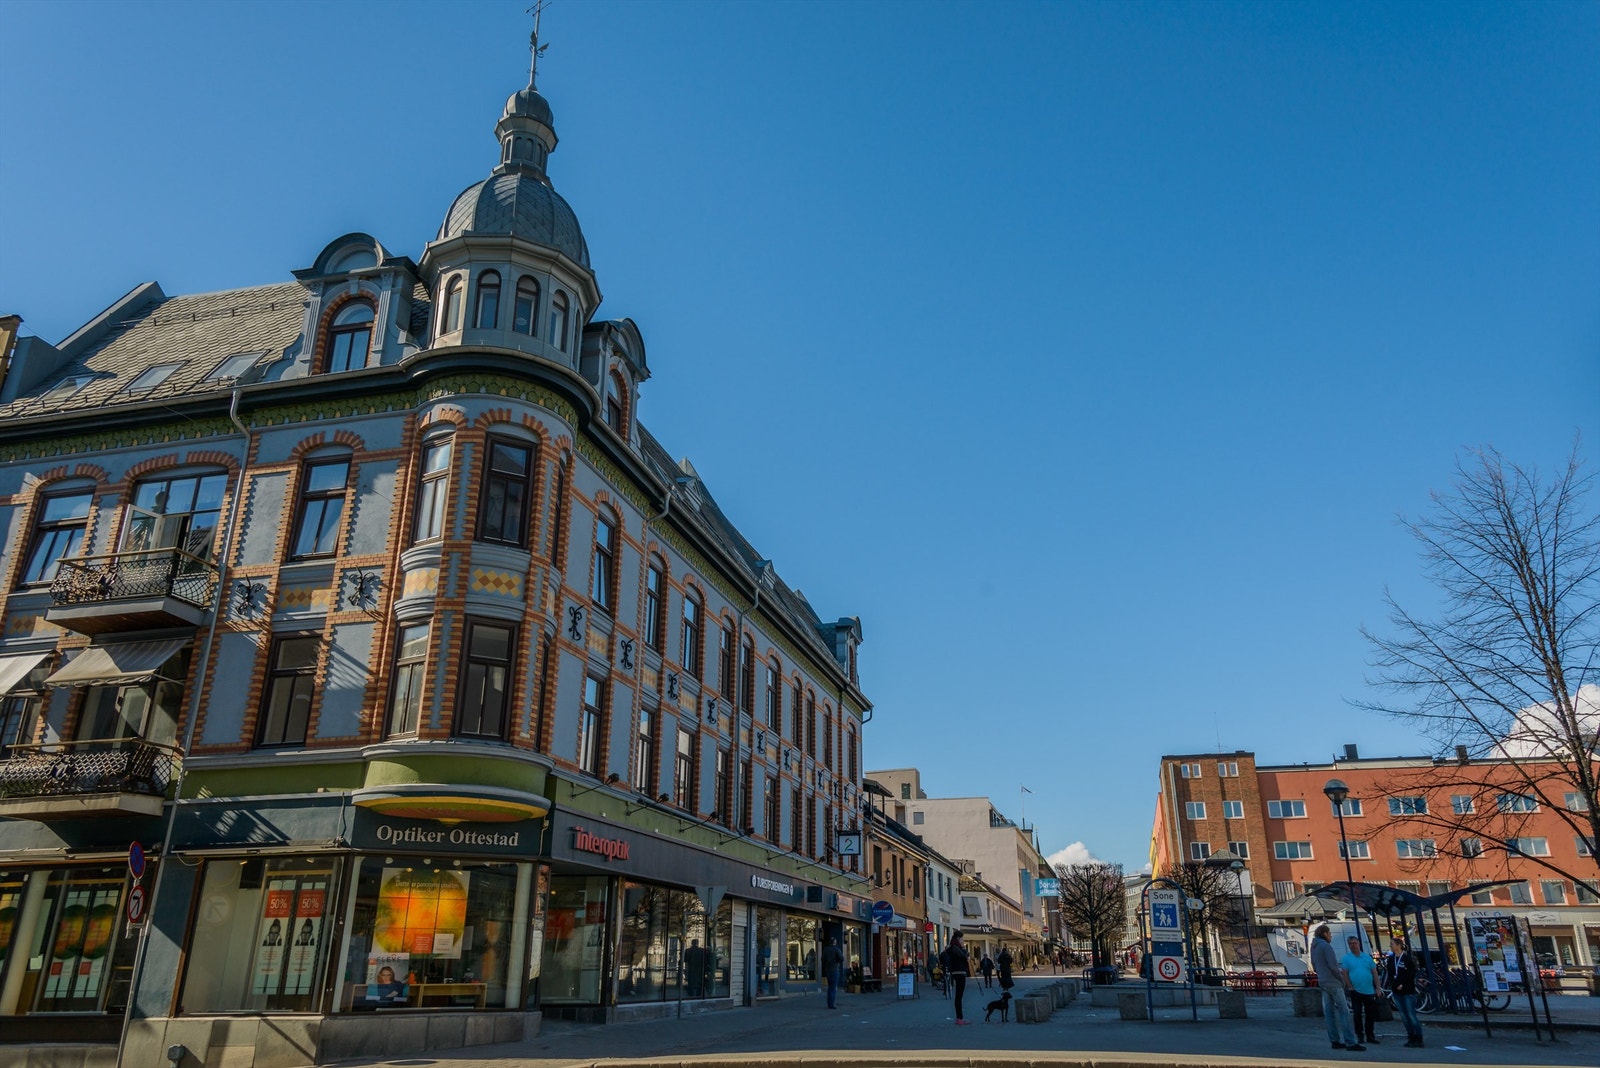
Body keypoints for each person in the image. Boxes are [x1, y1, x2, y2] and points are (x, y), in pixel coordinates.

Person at [1311, 925, 1363, 1051]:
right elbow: (1333, 966)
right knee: (1344, 1012)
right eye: (1330, 934)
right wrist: (1341, 979)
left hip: (1323, 982)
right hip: (1333, 982)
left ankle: (1334, 1040)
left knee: (1329, 1013)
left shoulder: (1314, 947)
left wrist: (1321, 974)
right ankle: (1350, 1041)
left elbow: (1314, 965)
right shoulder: (1326, 946)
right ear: (1324, 933)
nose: (1331, 936)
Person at [1384, 937, 1424, 1048]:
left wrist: (1402, 984)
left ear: (1398, 945)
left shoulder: (1406, 959)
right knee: (1404, 1016)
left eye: (1392, 944)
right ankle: (1411, 1037)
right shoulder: (1391, 959)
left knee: (1411, 1014)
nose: (1390, 946)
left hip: (1408, 990)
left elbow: (1411, 974)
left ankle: (1419, 1038)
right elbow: (1390, 974)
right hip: (1396, 991)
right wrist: (1394, 984)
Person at [1341, 935, 1381, 1045]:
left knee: (1370, 1014)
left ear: (1359, 943)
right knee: (1357, 1014)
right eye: (1350, 944)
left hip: (1369, 990)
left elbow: (1374, 972)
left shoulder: (1367, 957)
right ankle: (1359, 1035)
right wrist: (1350, 987)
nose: (1353, 945)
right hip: (1355, 990)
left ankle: (1370, 1035)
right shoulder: (1346, 958)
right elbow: (1344, 973)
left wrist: (1378, 987)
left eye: (1354, 943)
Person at [946, 931, 972, 1024]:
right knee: (959, 996)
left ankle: (960, 1018)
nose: (963, 941)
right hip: (959, 972)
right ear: (958, 938)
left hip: (957, 972)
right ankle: (959, 1018)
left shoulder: (954, 948)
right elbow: (963, 957)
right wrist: (965, 954)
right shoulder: (955, 948)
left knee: (959, 996)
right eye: (962, 939)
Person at [821, 936, 844, 1009]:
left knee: (830, 986)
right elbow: (841, 958)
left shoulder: (825, 950)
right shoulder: (836, 949)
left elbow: (822, 959)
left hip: (827, 969)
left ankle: (829, 1002)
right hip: (834, 969)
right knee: (833, 987)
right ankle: (831, 1004)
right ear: (834, 942)